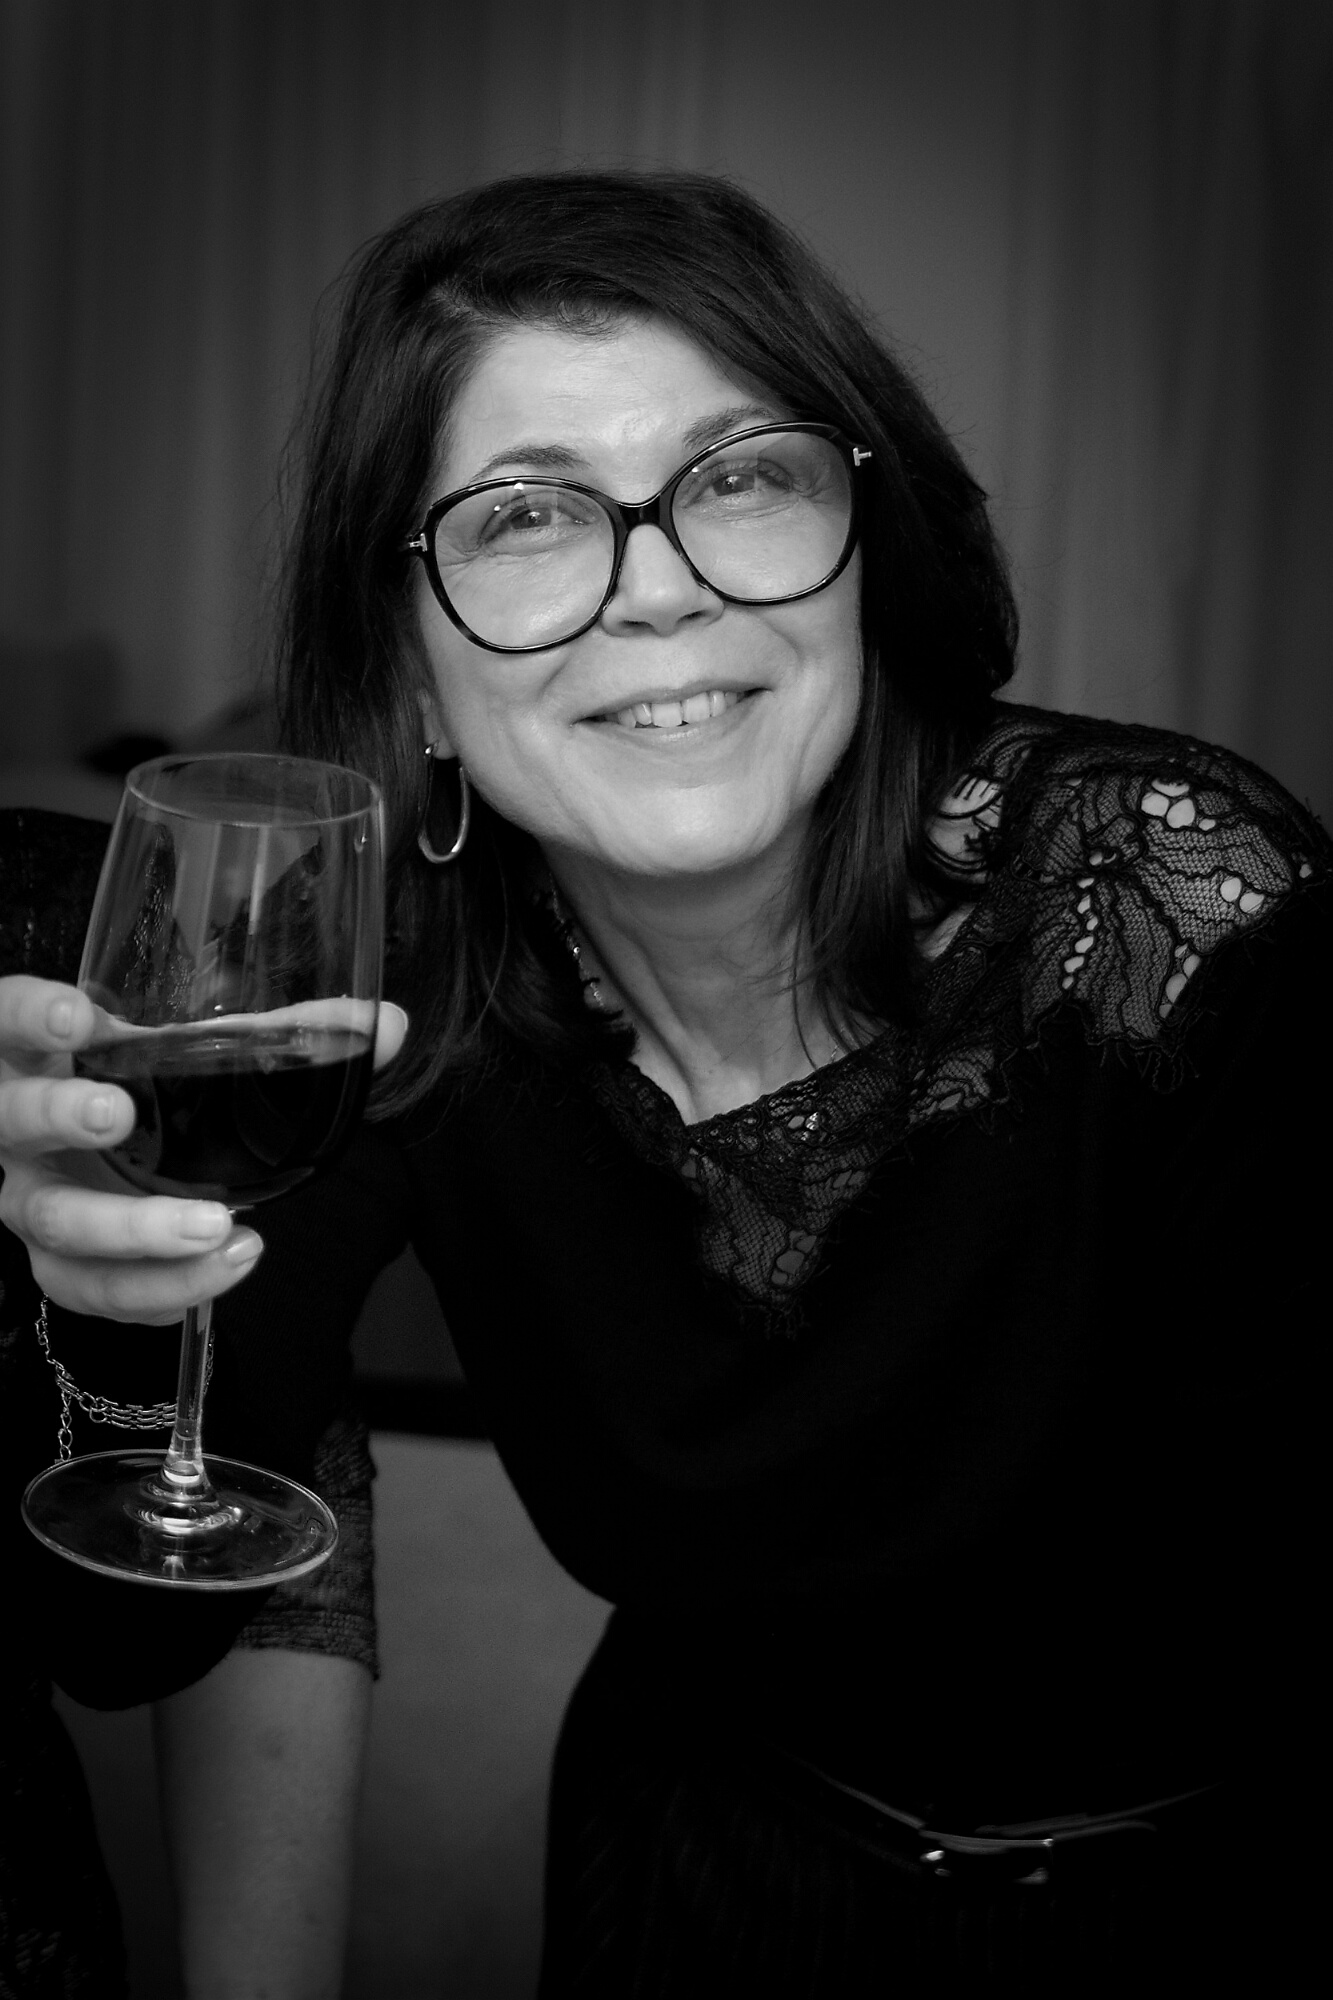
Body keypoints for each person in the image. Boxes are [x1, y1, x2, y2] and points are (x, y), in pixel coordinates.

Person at [1, 170, 1325, 1994]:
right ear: (409, 666)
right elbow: (118, 1642)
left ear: (862, 553)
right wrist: (104, 1307)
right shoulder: (391, 994)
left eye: (742, 479)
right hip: (692, 1873)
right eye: (525, 516)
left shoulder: (1172, 898)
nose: (662, 590)